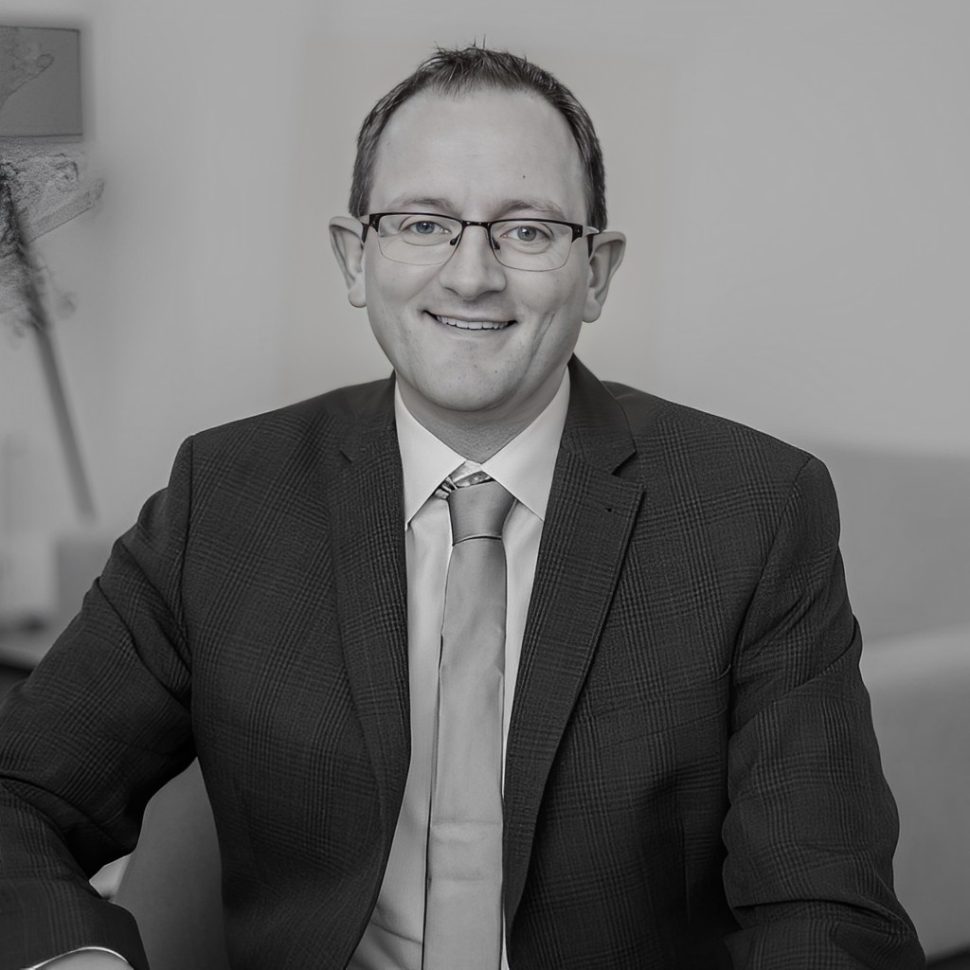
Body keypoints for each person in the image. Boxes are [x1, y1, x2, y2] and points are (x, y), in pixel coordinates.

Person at [0, 46, 923, 970]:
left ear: (596, 272)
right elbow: (22, 794)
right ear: (355, 258)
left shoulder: (755, 511)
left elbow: (826, 909)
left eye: (528, 230)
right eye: (422, 223)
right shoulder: (227, 494)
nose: (471, 275)